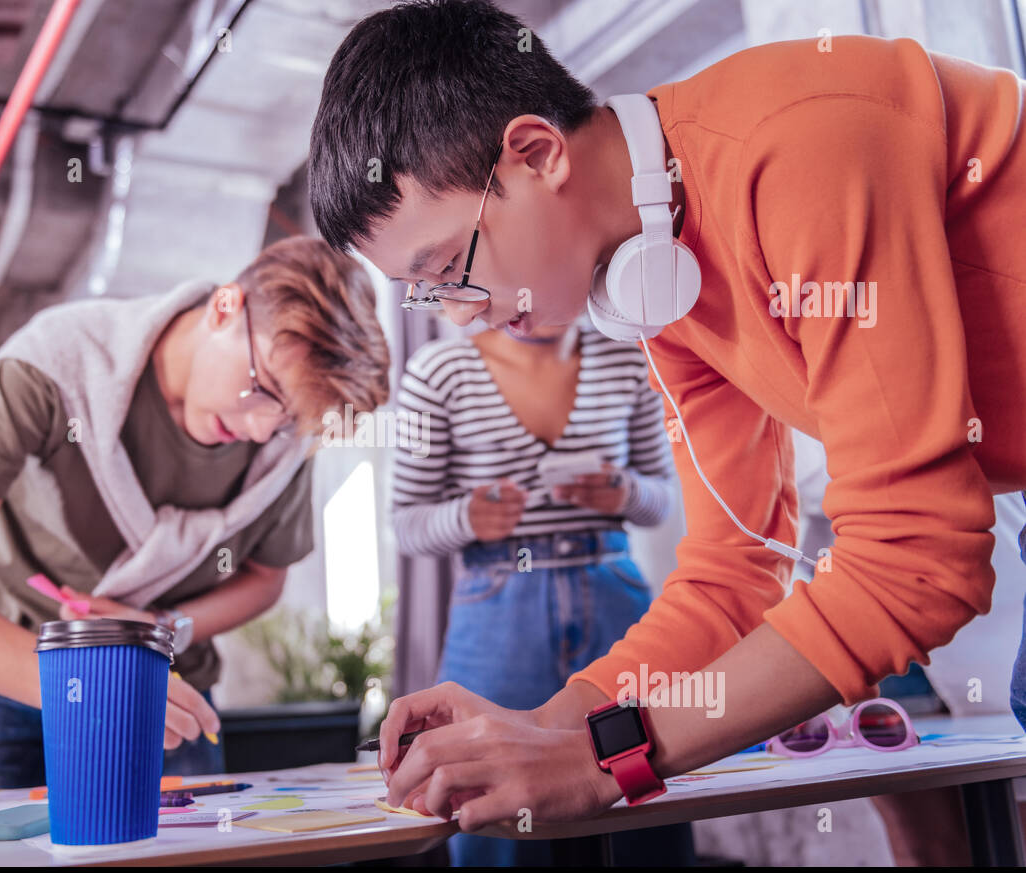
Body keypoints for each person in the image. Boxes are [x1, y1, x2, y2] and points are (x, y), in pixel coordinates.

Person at [307, 0, 1026, 830]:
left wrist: (606, 758)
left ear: (536, 154)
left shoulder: (795, 142)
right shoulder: (655, 280)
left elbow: (915, 558)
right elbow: (735, 570)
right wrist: (546, 725)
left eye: (446, 269)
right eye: (425, 294)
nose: (456, 313)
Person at [0, 236, 390, 796]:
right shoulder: (49, 368)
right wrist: (84, 679)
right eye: (262, 389)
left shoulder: (283, 439)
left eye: (287, 419)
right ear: (223, 308)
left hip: (162, 688)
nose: (263, 431)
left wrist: (165, 629)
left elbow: (264, 580)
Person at [393, 321, 687, 865]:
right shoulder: (439, 371)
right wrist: (467, 518)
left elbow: (664, 500)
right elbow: (407, 524)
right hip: (497, 607)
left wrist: (623, 491)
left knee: (646, 789)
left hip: (614, 590)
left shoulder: (631, 357)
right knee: (487, 807)